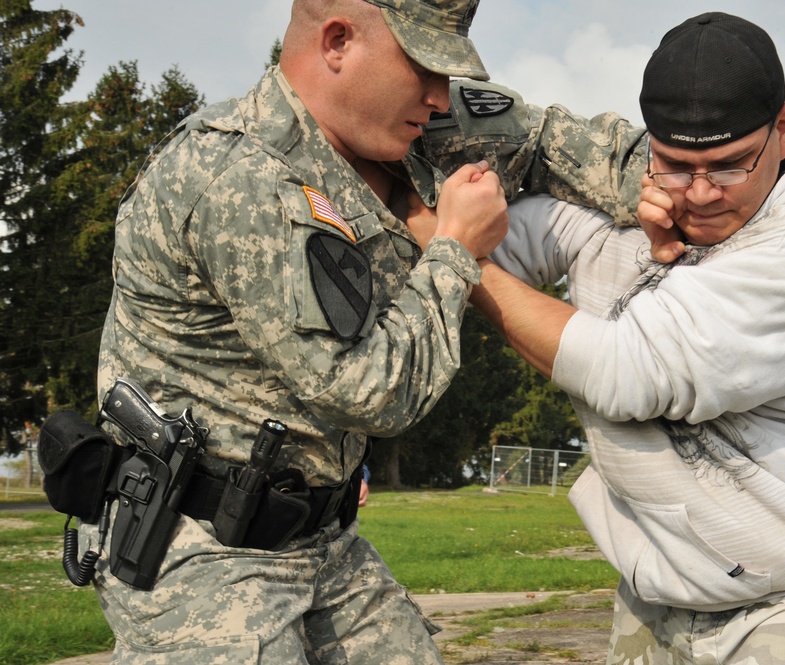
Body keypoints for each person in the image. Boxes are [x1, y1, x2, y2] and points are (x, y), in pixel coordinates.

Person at [414, 11, 785, 665]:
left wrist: (443, 242)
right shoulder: (623, 207)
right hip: (657, 599)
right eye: (676, 164)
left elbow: (624, 369)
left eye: (728, 166)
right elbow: (507, 243)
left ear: (782, 130)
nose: (700, 193)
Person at [80, 0, 507, 663]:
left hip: (320, 539)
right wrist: (454, 250)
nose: (440, 96)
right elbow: (369, 394)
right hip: (204, 551)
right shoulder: (240, 175)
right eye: (424, 67)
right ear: (336, 42)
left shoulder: (336, 154)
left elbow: (532, 131)